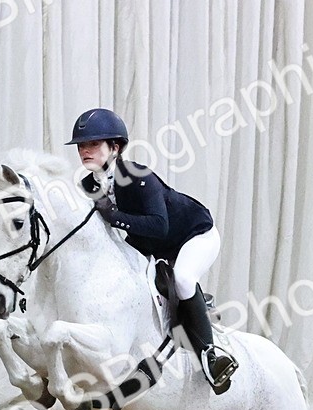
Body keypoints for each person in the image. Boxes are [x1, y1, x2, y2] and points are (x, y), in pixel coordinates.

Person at [66, 108, 237, 394]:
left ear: (115, 147)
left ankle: (211, 356)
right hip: (151, 244)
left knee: (183, 278)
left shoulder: (137, 176)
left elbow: (159, 225)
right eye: (82, 146)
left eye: (93, 144)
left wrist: (115, 217)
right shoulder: (87, 185)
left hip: (193, 235)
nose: (85, 150)